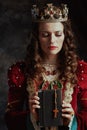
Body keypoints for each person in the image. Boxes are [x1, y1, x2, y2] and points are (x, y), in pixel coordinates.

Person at [5, 3, 87, 130]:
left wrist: (72, 121)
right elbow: (10, 118)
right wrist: (31, 118)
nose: (52, 40)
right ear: (37, 36)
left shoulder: (81, 69)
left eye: (58, 34)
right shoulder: (20, 71)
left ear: (65, 36)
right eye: (45, 35)